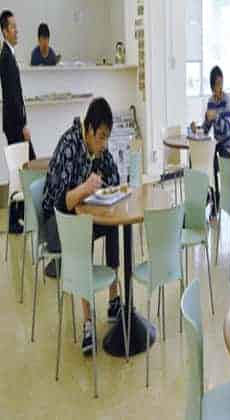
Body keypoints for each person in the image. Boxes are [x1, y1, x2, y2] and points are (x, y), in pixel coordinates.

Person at [42, 98, 121, 356]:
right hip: (55, 224)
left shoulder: (98, 148)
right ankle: (87, 322)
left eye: (107, 137)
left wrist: (105, 182)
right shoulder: (69, 145)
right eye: (101, 137)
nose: (104, 143)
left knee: (112, 223)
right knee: (83, 228)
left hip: (78, 218)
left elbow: (115, 177)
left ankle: (114, 300)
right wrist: (86, 188)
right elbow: (61, 202)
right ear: (88, 129)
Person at [192, 65, 230, 215]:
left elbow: (227, 128)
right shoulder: (210, 101)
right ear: (211, 86)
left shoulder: (227, 100)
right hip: (217, 144)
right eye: (216, 84)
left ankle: (215, 199)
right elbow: (206, 127)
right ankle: (207, 195)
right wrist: (197, 128)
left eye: (221, 83)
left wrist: (216, 117)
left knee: (213, 163)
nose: (219, 87)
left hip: (227, 146)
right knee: (198, 159)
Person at [0, 10, 36, 160]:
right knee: (27, 164)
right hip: (15, 125)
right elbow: (13, 95)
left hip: (13, 123)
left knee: (23, 165)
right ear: (5, 31)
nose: (17, 31)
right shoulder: (6, 57)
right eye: (13, 27)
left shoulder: (8, 54)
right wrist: (23, 126)